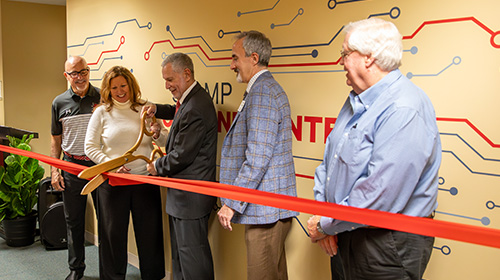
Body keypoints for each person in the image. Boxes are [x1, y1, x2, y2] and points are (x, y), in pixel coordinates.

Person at [307, 18, 441, 280]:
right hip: (346, 230)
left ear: (368, 58)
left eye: (345, 54)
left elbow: (380, 194)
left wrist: (326, 225)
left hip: (386, 245)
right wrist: (327, 219)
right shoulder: (355, 100)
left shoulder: (403, 108)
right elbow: (329, 164)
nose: (341, 62)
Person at [217, 30, 299, 280]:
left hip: (267, 211)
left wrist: (232, 202)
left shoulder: (262, 92)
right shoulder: (262, 89)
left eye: (235, 58)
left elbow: (257, 158)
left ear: (253, 58)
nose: (231, 65)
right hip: (269, 208)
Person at [84, 66, 166, 280]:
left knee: (151, 236)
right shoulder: (102, 112)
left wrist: (158, 132)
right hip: (113, 183)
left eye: (123, 86)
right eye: (114, 87)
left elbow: (164, 140)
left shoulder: (145, 109)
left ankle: (153, 276)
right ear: (108, 90)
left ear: (131, 85)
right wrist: (112, 164)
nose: (120, 91)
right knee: (112, 238)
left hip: (145, 182)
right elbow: (90, 147)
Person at [143, 52, 218, 280]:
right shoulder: (190, 99)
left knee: (193, 263)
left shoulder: (196, 106)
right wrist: (157, 108)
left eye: (170, 80)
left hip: (190, 199)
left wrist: (156, 166)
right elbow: (177, 113)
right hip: (183, 199)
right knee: (180, 260)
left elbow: (182, 155)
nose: (167, 85)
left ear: (186, 74)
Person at [50, 56, 100, 280]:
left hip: (100, 167)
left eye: (83, 72)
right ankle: (76, 270)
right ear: (66, 76)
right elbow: (55, 140)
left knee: (107, 220)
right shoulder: (59, 103)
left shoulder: (102, 97)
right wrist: (55, 169)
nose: (79, 77)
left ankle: (109, 269)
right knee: (74, 221)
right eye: (74, 74)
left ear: (88, 71)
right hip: (71, 166)